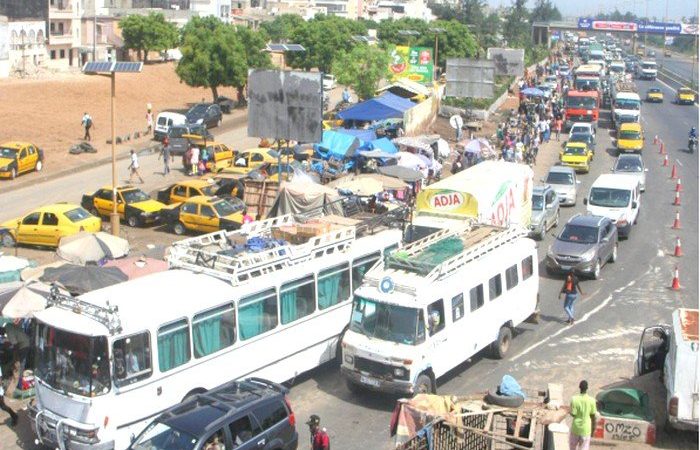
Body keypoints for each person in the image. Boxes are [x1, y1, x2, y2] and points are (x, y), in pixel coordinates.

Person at [569, 380, 597, 450]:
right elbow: (593, 417)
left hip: (575, 429)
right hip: (586, 430)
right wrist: (593, 430)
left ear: (579, 387)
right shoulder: (592, 400)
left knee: (572, 448)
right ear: (587, 388)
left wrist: (569, 410)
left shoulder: (574, 399)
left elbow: (573, 414)